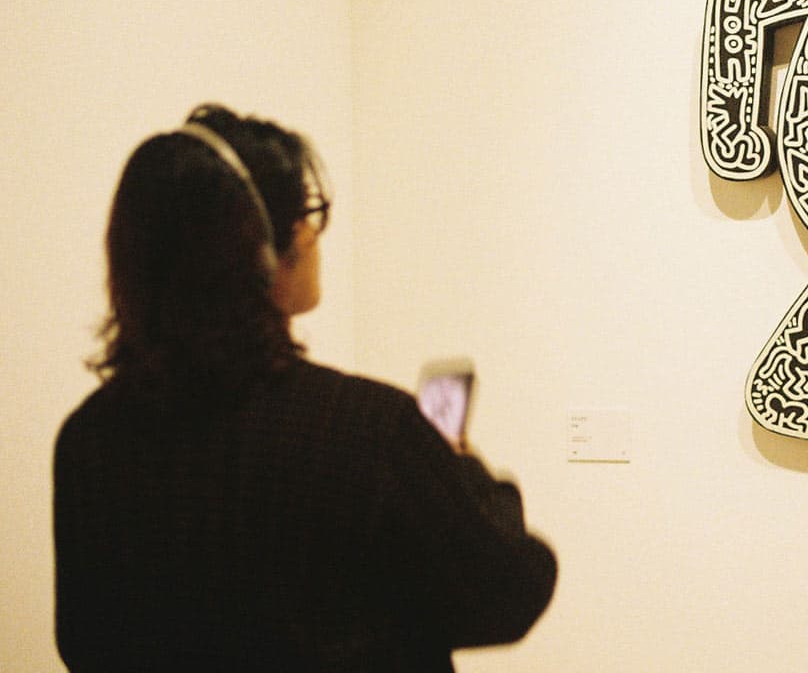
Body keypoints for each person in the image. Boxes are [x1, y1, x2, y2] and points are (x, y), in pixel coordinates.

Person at [53, 105, 556, 672]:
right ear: (264, 251)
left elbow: (84, 643)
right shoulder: (369, 431)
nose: (314, 234)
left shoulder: (86, 442)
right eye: (307, 215)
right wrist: (464, 473)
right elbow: (508, 592)